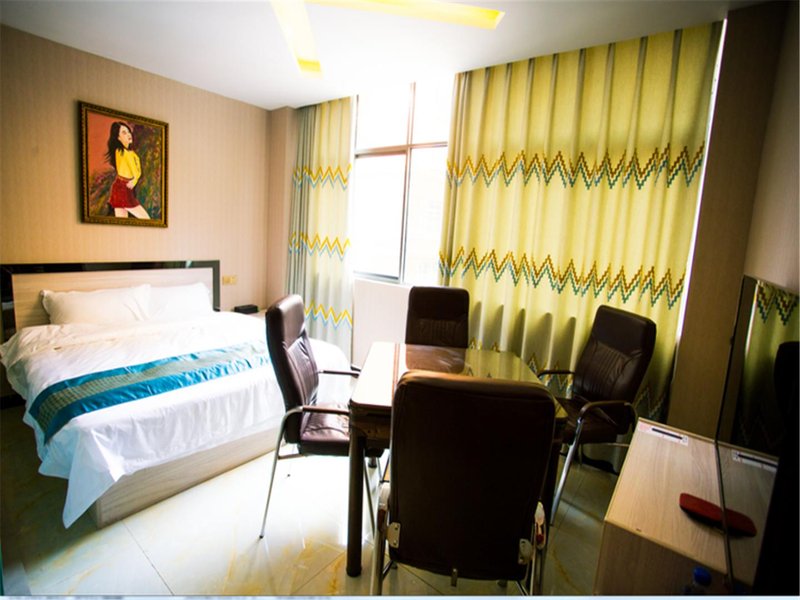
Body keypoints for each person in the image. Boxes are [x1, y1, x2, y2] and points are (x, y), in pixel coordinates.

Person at [105, 121, 150, 219]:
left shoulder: (131, 153)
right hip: (122, 188)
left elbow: (138, 171)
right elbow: (135, 170)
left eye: (128, 132)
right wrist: (135, 179)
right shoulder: (121, 151)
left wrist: (135, 179)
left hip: (122, 188)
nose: (129, 134)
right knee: (146, 219)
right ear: (118, 138)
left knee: (122, 222)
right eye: (124, 133)